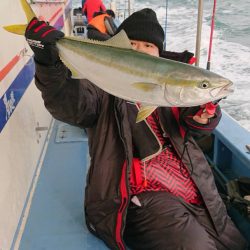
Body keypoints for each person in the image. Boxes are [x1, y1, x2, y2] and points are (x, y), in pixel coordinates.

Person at [24, 8, 247, 250]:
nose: (140, 50)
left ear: (159, 54)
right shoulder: (102, 86)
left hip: (196, 191)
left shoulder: (172, 93)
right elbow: (71, 106)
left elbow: (194, 122)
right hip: (136, 196)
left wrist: (204, 117)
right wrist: (48, 63)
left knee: (234, 242)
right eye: (132, 43)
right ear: (118, 47)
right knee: (193, 245)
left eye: (148, 45)